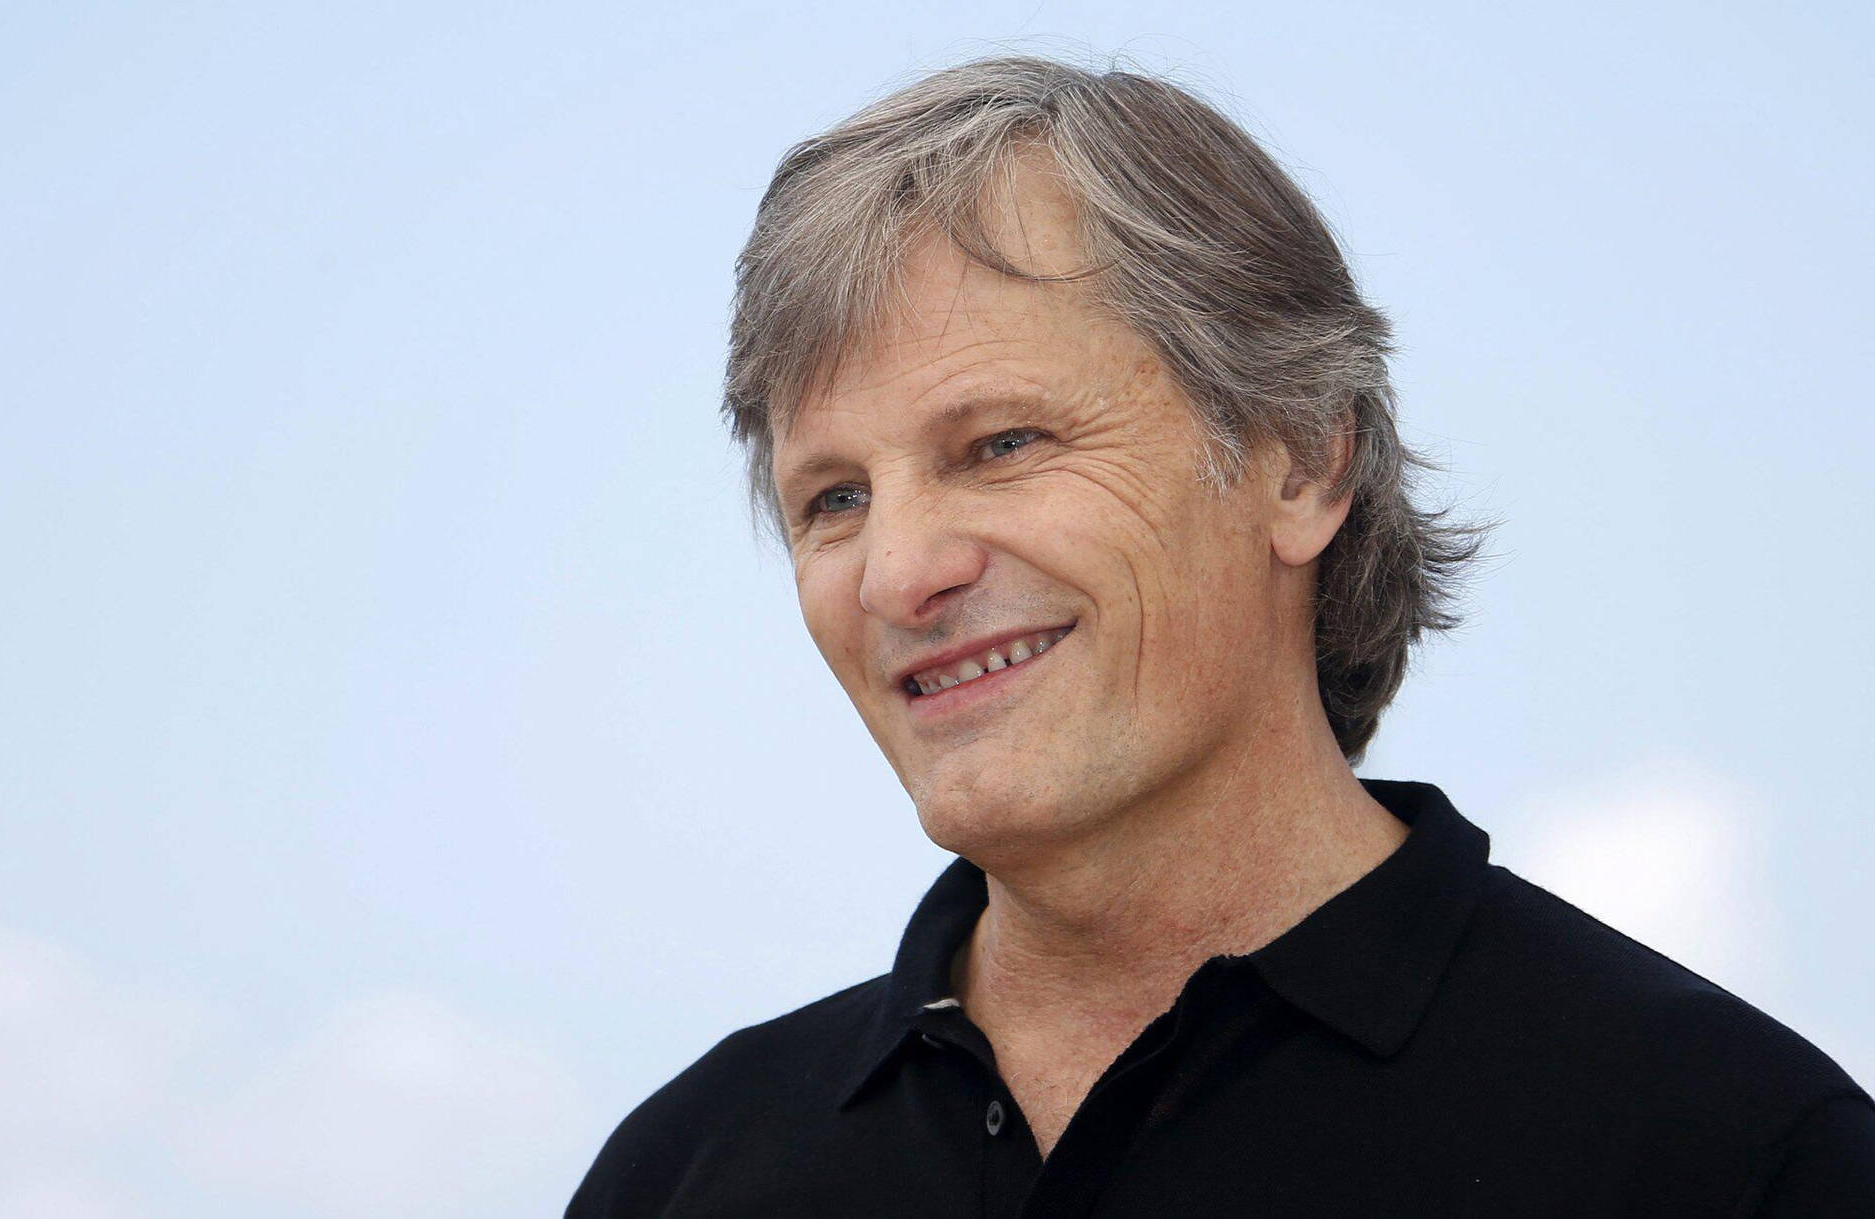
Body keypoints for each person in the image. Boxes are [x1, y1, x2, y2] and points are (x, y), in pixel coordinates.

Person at [567, 56, 1875, 1216]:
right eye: (833, 499)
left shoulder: (1729, 1155)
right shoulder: (681, 1175)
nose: (900, 574)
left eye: (1004, 443)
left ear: (1302, 463)